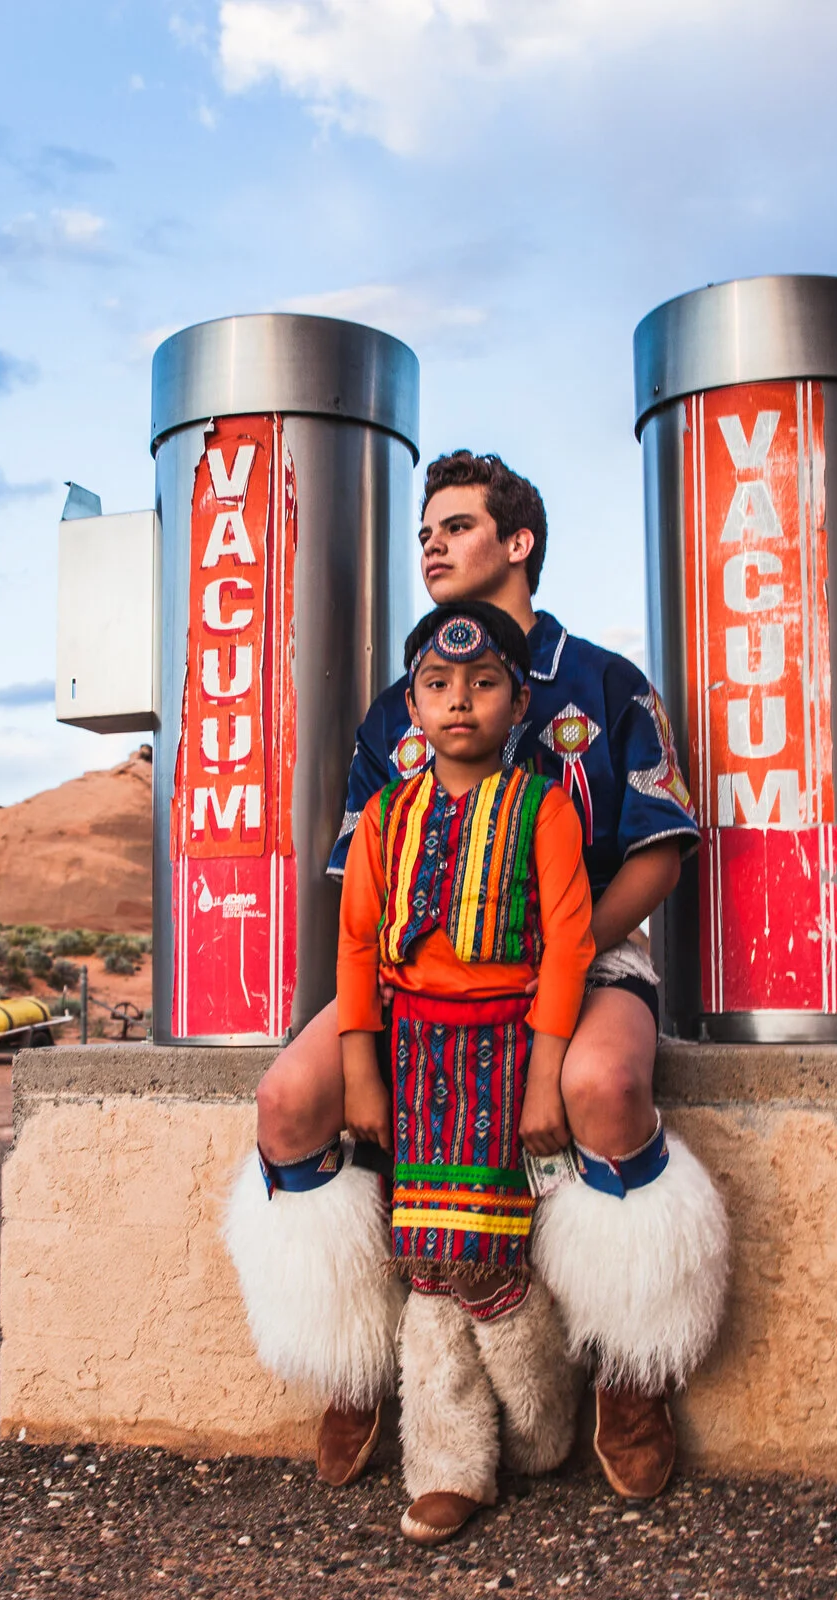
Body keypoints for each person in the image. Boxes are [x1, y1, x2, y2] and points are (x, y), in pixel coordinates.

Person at [221, 450, 731, 1502]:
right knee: (289, 1098)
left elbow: (660, 848)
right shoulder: (396, 709)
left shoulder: (604, 683)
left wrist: (567, 951)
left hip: (584, 957)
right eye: (424, 533)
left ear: (518, 542)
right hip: (420, 973)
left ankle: (630, 1370)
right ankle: (356, 1363)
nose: (432, 545)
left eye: (454, 525)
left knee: (604, 1087)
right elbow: (361, 894)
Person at [334, 601, 592, 1545]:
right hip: (414, 1050)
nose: (459, 702)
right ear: (412, 704)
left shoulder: (544, 808)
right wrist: (361, 1067)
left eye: (483, 684)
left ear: (519, 702)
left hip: (505, 1047)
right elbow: (357, 942)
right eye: (438, 686)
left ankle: (541, 1421)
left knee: (490, 1254)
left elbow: (568, 946)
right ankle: (448, 1465)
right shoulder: (384, 815)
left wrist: (546, 1071)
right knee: (427, 1262)